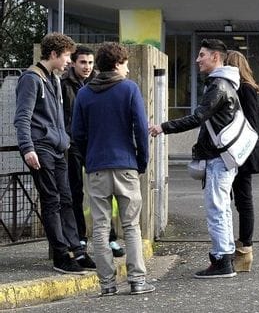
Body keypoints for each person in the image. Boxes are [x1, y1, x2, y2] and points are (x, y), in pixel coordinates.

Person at [149, 38, 239, 279]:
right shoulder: (225, 84)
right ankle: (225, 256)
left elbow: (198, 117)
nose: (197, 59)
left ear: (215, 57)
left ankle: (222, 261)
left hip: (218, 158)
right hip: (222, 157)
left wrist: (162, 127)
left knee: (216, 208)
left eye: (202, 55)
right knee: (222, 208)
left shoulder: (219, 86)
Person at [72, 42, 154, 296]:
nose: (128, 68)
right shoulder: (129, 89)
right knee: (130, 225)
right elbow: (141, 129)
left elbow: (77, 134)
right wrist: (141, 161)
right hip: (126, 164)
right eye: (126, 63)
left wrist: (89, 160)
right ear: (117, 64)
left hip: (96, 167)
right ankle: (137, 280)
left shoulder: (85, 93)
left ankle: (106, 284)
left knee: (99, 226)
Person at [13, 32, 96, 275]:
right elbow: (22, 118)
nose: (69, 61)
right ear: (53, 55)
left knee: (67, 199)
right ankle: (61, 256)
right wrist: (27, 148)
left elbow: (59, 118)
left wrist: (66, 141)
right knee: (52, 200)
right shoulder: (31, 79)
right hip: (41, 148)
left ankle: (76, 251)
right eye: (67, 56)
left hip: (60, 148)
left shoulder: (55, 79)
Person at [61, 45, 125, 257]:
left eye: (90, 62)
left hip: (94, 144)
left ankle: (111, 238)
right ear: (73, 63)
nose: (87, 67)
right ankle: (79, 237)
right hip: (72, 145)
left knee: (104, 193)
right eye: (83, 62)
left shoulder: (98, 83)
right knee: (74, 192)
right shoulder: (62, 84)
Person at [225, 50, 259, 272]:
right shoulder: (239, 88)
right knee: (237, 200)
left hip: (241, 152)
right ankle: (240, 249)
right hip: (238, 152)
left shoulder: (245, 89)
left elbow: (252, 123)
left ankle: (245, 250)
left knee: (243, 201)